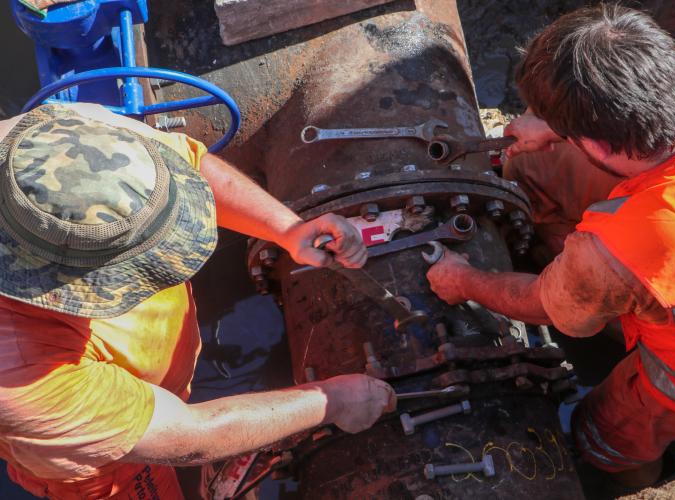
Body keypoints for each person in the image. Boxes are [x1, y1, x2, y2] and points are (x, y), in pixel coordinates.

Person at [425, 3, 675, 488]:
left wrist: (465, 280)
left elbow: (542, 304)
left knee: (603, 436)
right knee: (541, 171)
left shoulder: (629, 243)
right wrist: (556, 128)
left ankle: (642, 477)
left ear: (595, 144)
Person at [0, 102, 395, 499]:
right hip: (108, 464)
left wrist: (288, 229)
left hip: (159, 362)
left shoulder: (52, 136)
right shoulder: (21, 374)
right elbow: (189, 436)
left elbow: (188, 164)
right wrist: (333, 401)